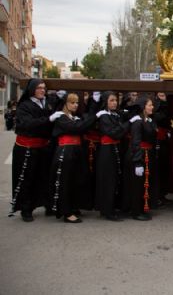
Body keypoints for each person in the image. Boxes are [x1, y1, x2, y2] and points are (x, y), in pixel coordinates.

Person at [10, 79, 56, 222]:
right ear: (32, 90)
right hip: (27, 148)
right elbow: (28, 124)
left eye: (44, 88)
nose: (43, 90)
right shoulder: (24, 106)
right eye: (39, 88)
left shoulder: (47, 103)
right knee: (27, 179)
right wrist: (49, 119)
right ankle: (26, 208)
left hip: (43, 147)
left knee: (44, 177)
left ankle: (46, 204)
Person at [49, 93, 97, 223]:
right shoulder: (61, 117)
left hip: (75, 151)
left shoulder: (74, 117)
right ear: (65, 104)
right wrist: (95, 116)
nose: (75, 105)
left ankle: (73, 206)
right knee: (66, 182)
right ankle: (66, 212)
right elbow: (77, 128)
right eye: (72, 102)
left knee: (76, 180)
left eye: (76, 103)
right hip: (66, 152)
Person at [95, 91, 135, 221]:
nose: (114, 103)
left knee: (115, 178)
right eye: (111, 100)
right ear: (105, 102)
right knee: (108, 179)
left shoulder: (116, 115)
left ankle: (113, 206)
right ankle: (107, 210)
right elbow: (115, 133)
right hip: (107, 151)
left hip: (115, 149)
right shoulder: (104, 117)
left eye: (115, 100)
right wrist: (128, 124)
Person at [122, 97, 157, 221]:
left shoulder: (149, 120)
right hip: (139, 155)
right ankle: (136, 211)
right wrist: (137, 162)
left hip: (148, 154)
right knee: (137, 184)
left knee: (144, 183)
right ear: (143, 107)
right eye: (149, 105)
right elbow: (135, 142)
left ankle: (143, 207)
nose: (152, 107)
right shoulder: (138, 122)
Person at [153, 92, 172, 207]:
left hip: (164, 141)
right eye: (160, 95)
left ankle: (162, 195)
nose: (163, 97)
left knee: (164, 169)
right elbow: (160, 117)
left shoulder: (168, 106)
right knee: (157, 170)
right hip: (157, 142)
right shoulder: (155, 107)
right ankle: (157, 197)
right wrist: (164, 104)